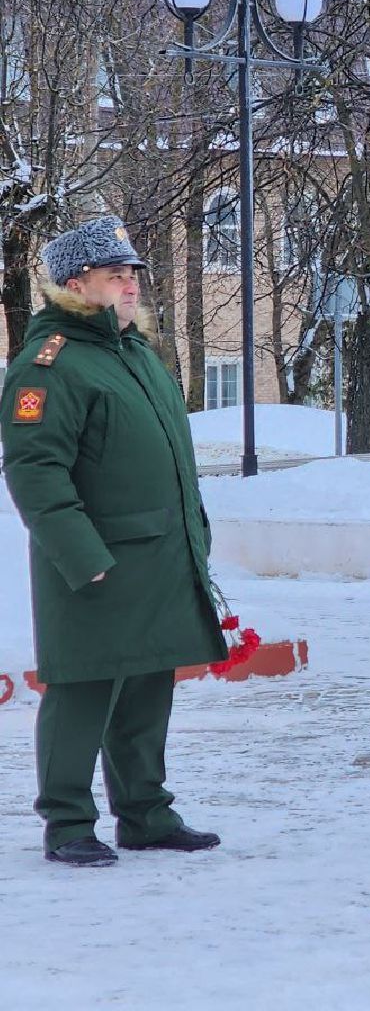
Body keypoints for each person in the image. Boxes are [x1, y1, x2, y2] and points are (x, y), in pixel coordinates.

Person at [1, 216, 223, 867]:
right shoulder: (51, 365)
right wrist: (81, 556)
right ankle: (68, 824)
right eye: (115, 275)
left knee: (149, 686)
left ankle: (146, 813)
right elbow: (35, 470)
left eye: (133, 275)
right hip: (97, 562)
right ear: (77, 285)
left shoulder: (135, 354)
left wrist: (195, 536)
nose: (130, 285)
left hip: (158, 553)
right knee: (83, 690)